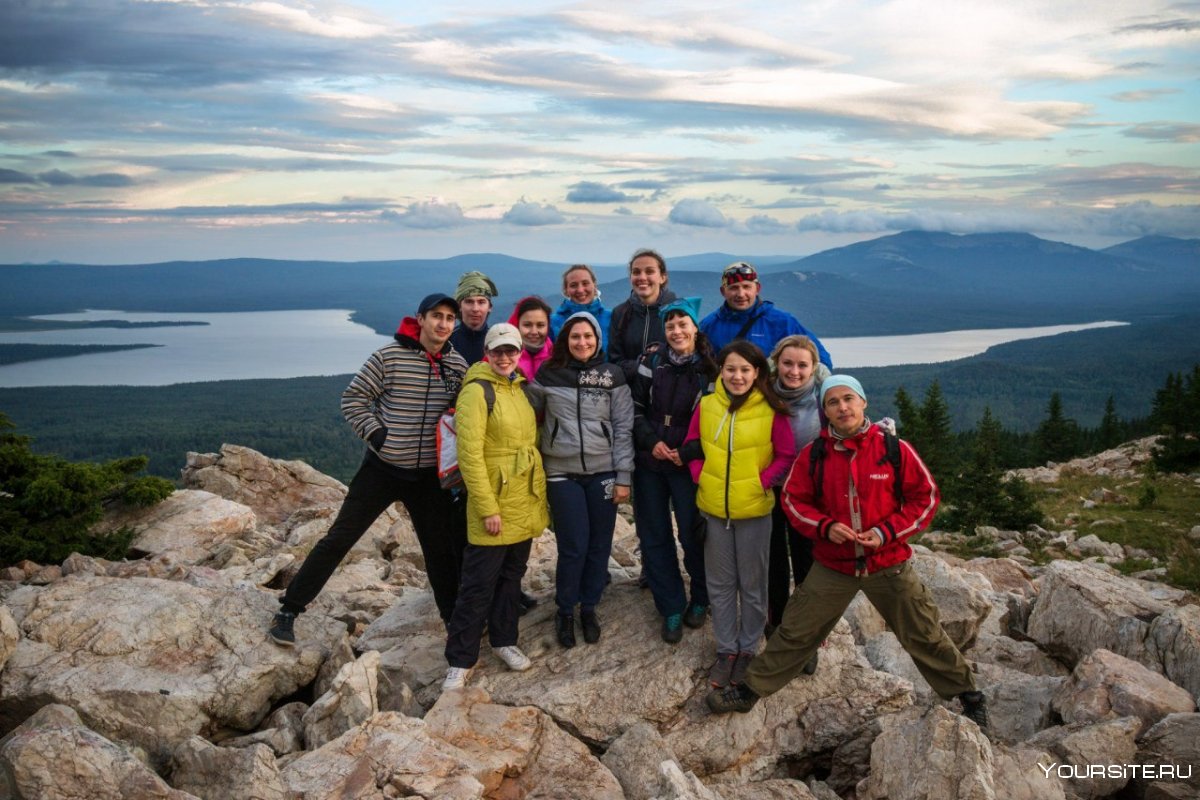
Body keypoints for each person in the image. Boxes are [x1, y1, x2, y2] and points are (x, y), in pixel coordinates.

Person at [705, 375, 990, 735]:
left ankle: (969, 696)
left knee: (922, 632)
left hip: (887, 563)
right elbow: (794, 500)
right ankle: (749, 691)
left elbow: (925, 498)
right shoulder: (815, 454)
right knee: (796, 631)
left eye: (848, 399)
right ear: (824, 411)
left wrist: (884, 533)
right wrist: (825, 527)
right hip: (834, 564)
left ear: (863, 403)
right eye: (833, 402)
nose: (842, 407)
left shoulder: (894, 449)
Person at [269, 293, 468, 645]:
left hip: (427, 477)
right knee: (340, 538)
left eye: (450, 318)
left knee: (439, 551)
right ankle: (290, 609)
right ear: (420, 319)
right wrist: (377, 435)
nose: (443, 324)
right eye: (436, 316)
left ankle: (454, 622)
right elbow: (353, 398)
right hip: (383, 468)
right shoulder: (389, 356)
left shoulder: (457, 367)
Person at [681, 340, 795, 689]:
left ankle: (748, 649)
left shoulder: (770, 408)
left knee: (753, 585)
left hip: (755, 512)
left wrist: (761, 483)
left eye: (745, 369)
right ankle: (726, 650)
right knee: (719, 584)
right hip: (713, 510)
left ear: (757, 372)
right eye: (730, 369)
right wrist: (701, 476)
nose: (737, 376)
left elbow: (786, 455)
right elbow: (691, 445)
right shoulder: (708, 404)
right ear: (721, 371)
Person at [442, 323, 549, 690]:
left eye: (511, 351)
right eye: (497, 350)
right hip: (495, 499)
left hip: (524, 497)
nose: (504, 357)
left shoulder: (520, 388)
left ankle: (505, 640)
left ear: (520, 353)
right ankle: (460, 659)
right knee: (477, 583)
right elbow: (469, 455)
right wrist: (487, 508)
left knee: (511, 577)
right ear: (487, 353)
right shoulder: (477, 391)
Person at [532, 311, 634, 648]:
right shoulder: (548, 373)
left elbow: (622, 428)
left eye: (588, 336)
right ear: (565, 340)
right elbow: (524, 410)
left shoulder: (612, 375)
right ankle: (564, 609)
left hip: (603, 471)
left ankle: (589, 607)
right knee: (574, 545)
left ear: (598, 339)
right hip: (561, 471)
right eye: (575, 336)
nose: (582, 342)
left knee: (599, 544)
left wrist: (623, 476)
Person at [631, 296, 716, 643]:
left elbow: (718, 420)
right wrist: (651, 442)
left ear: (696, 327)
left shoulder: (711, 368)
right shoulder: (653, 361)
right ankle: (670, 606)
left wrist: (688, 451)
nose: (677, 330)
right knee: (653, 534)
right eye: (670, 325)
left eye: (683, 324)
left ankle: (700, 598)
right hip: (651, 459)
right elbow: (634, 408)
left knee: (693, 533)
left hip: (688, 463)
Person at [766, 335, 831, 634]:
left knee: (807, 561)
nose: (794, 371)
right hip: (769, 488)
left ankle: (805, 632)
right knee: (774, 559)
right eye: (788, 363)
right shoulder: (762, 393)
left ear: (814, 368)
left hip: (807, 494)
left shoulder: (824, 399)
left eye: (802, 365)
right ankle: (776, 619)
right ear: (776, 363)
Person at [700, 262, 832, 368]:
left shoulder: (782, 322)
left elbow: (821, 359)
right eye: (734, 288)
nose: (741, 294)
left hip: (770, 398)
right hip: (727, 398)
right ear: (723, 291)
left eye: (746, 287)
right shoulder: (710, 325)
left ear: (757, 289)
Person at [609, 248, 678, 383]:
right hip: (630, 394)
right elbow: (615, 359)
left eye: (649, 271)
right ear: (631, 278)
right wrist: (640, 367)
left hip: (667, 390)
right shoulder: (620, 313)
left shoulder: (677, 311)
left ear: (662, 277)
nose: (642, 277)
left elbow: (687, 354)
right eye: (636, 272)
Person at [550, 264, 613, 350]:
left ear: (594, 285)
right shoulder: (553, 322)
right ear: (566, 290)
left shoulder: (611, 318)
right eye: (573, 285)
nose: (580, 290)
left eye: (585, 283)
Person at [449, 270, 499, 365]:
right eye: (469, 302)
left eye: (481, 302)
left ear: (490, 307)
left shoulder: (498, 341)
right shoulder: (447, 341)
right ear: (459, 306)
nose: (475, 309)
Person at [508, 296, 554, 382]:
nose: (534, 332)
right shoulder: (504, 360)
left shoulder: (557, 358)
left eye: (540, 325)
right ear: (518, 325)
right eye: (527, 325)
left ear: (548, 326)